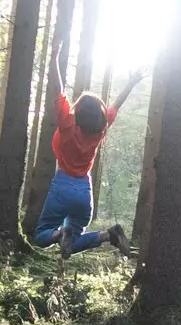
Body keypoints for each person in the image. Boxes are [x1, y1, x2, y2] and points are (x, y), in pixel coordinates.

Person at [33, 50, 143, 257]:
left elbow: (59, 90)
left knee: (40, 236)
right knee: (72, 244)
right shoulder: (100, 128)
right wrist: (130, 84)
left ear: (79, 110)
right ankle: (108, 235)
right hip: (84, 191)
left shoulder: (67, 125)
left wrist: (55, 58)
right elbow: (115, 106)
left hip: (62, 187)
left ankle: (58, 235)